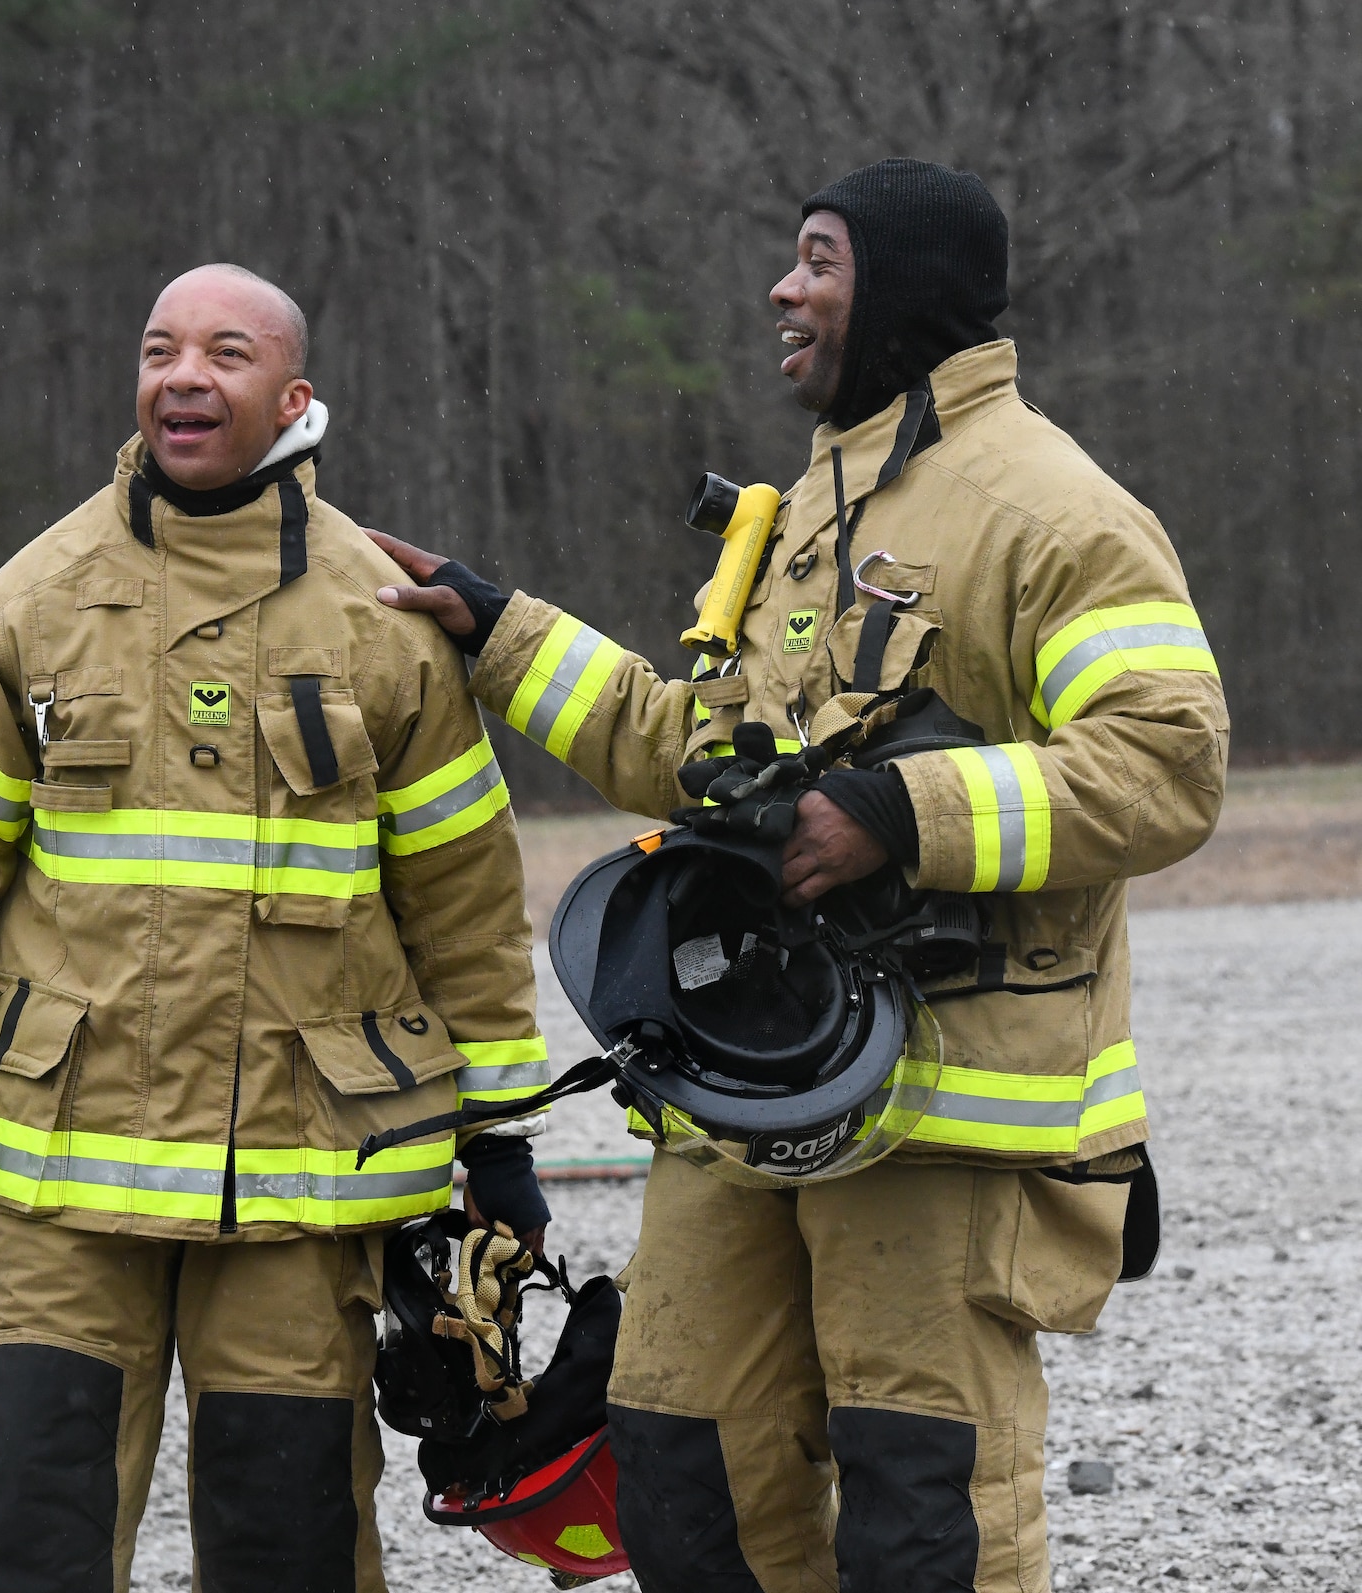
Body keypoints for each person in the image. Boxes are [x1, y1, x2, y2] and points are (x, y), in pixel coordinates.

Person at [370, 159, 1229, 1590]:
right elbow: (695, 760)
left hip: (941, 1111)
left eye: (819, 261)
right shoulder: (818, 508)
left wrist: (903, 811)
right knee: (680, 1458)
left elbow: (1167, 760)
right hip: (750, 1086)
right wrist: (500, 627)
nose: (784, 287)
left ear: (902, 290)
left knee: (920, 1500)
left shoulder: (1051, 511)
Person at [0, 264, 553, 1593]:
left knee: (290, 1547)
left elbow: (465, 906)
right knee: (21, 1537)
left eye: (225, 351)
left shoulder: (381, 619)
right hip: (58, 1178)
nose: (183, 376)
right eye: (160, 350)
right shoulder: (34, 601)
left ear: (293, 396)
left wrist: (498, 1138)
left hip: (304, 1183)